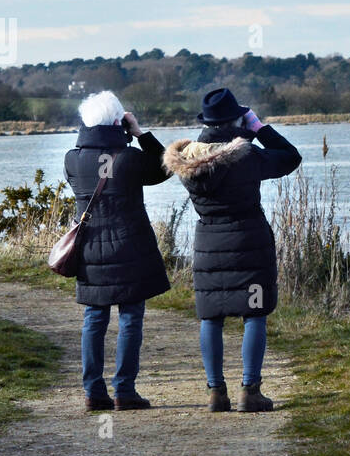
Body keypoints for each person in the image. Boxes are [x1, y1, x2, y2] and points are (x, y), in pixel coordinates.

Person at [163, 87, 301, 412]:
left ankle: (216, 393)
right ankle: (250, 391)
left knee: (211, 317)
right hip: (249, 243)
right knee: (254, 313)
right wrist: (259, 127)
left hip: (208, 243)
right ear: (236, 118)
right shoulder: (247, 156)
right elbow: (290, 157)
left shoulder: (187, 161)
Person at [64, 90, 172, 412]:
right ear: (117, 122)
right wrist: (139, 133)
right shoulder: (130, 159)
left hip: (90, 249)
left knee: (94, 318)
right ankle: (124, 390)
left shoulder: (71, 158)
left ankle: (92, 392)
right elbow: (166, 168)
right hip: (130, 246)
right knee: (130, 319)